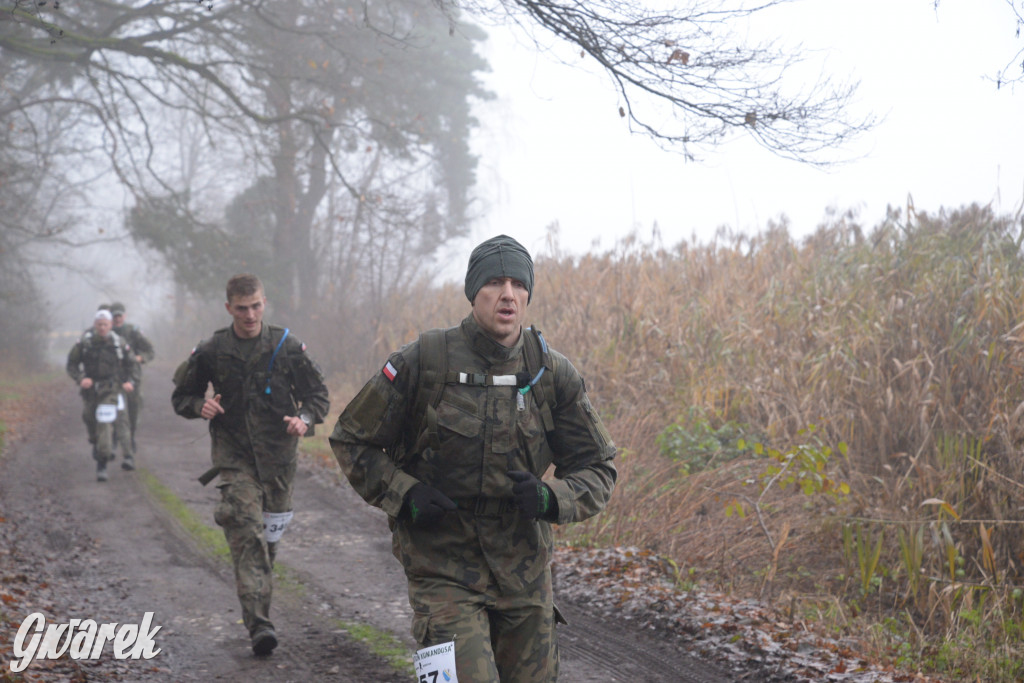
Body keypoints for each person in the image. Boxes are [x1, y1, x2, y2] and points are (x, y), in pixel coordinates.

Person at [330, 234, 617, 681]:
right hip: (442, 566)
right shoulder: (425, 360)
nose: (508, 294)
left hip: (523, 570)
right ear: (473, 292)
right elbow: (352, 438)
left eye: (518, 284)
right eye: (495, 282)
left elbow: (599, 468)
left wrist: (550, 497)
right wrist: (405, 494)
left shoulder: (551, 373)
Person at [171, 274, 330, 657]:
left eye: (256, 306)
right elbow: (183, 395)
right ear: (229, 308)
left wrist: (304, 419)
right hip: (234, 458)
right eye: (241, 308)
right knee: (246, 533)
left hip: (278, 462)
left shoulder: (287, 346)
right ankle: (260, 624)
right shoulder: (212, 349)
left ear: (264, 303)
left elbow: (318, 396)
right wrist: (199, 406)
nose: (249, 314)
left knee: (267, 545)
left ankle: (259, 610)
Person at [66, 309, 140, 481]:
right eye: (99, 324)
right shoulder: (85, 343)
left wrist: (130, 382)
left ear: (110, 325)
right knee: (89, 419)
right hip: (90, 391)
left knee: (106, 423)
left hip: (111, 389)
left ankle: (102, 464)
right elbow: (71, 364)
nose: (102, 327)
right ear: (95, 325)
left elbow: (133, 365)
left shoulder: (119, 343)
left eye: (105, 324)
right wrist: (81, 378)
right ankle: (96, 443)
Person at [110, 301, 156, 453]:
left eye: (119, 316)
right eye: (114, 316)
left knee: (133, 409)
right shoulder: (106, 333)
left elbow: (150, 350)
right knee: (114, 409)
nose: (117, 319)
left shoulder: (133, 332)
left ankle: (131, 437)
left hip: (133, 376)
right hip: (112, 377)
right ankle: (115, 438)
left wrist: (139, 358)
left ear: (124, 316)